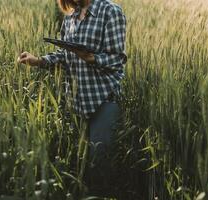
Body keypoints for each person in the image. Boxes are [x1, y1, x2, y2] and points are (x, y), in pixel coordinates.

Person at [17, 0, 127, 196]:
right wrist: (38, 61)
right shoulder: (71, 17)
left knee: (99, 167)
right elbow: (64, 56)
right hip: (77, 103)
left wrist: (90, 57)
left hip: (103, 100)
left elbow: (117, 59)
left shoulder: (110, 12)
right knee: (83, 168)